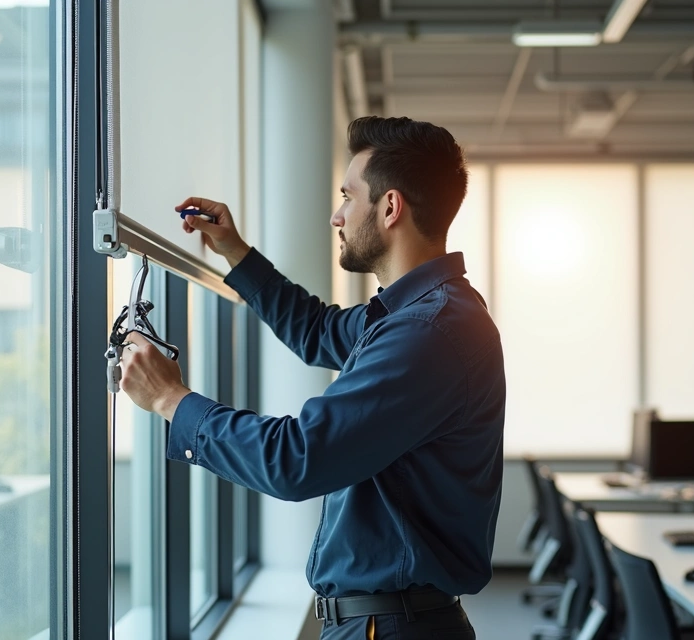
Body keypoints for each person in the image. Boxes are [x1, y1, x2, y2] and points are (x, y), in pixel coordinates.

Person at [119, 116, 506, 640]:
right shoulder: (414, 316)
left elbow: (298, 458)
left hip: (391, 626)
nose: (336, 216)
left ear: (391, 207)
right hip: (388, 620)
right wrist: (235, 252)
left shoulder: (429, 332)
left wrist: (171, 399)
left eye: (348, 197)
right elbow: (316, 329)